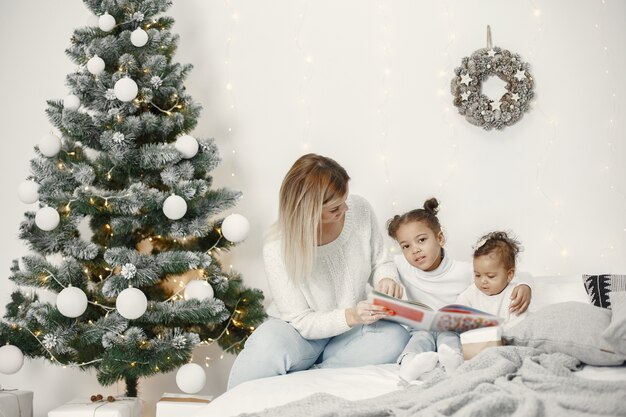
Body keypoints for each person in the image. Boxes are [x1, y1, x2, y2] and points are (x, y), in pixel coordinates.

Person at [227, 153, 410, 389]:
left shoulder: (360, 209)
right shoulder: (278, 245)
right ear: (308, 210)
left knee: (395, 337)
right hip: (298, 334)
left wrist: (386, 279)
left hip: (348, 332)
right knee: (264, 347)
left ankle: (311, 376)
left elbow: (381, 261)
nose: (345, 208)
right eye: (334, 208)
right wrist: (351, 315)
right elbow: (301, 320)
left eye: (344, 200)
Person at [386, 198, 531, 381]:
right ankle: (409, 366)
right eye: (406, 246)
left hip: (452, 328)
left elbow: (505, 272)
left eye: (421, 240)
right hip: (422, 327)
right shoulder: (402, 266)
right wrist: (387, 278)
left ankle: (454, 363)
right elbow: (380, 264)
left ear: (440, 238)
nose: (414, 250)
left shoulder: (465, 271)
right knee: (419, 337)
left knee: (449, 337)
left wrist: (525, 285)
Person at [456, 231, 529, 331]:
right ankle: (450, 347)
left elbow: (519, 326)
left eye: (490, 276)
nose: (482, 281)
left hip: (503, 340)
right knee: (448, 335)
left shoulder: (513, 295)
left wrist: (495, 334)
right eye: (477, 275)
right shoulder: (471, 292)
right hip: (474, 339)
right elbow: (458, 310)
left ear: (509, 274)